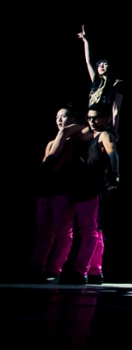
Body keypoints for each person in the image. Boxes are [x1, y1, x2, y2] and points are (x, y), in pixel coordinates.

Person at [54, 103, 119, 285]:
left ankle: (80, 271)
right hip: (84, 187)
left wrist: (115, 173)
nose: (91, 121)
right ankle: (95, 271)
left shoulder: (105, 135)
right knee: (94, 231)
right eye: (89, 118)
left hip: (94, 188)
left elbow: (113, 153)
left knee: (89, 231)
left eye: (95, 118)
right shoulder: (88, 135)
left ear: (105, 119)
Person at [28, 106, 85, 283]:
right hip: (46, 193)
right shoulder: (52, 143)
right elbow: (45, 167)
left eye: (64, 116)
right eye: (57, 117)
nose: (59, 120)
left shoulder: (76, 140)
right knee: (44, 232)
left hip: (63, 192)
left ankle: (54, 269)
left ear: (72, 119)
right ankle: (36, 267)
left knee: (63, 233)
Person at [78, 26, 123, 132]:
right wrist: (86, 41)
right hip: (90, 118)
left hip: (103, 120)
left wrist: (114, 130)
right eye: (99, 65)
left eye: (105, 64)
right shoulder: (96, 82)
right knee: (66, 132)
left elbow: (116, 109)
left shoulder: (116, 84)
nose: (101, 66)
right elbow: (88, 61)